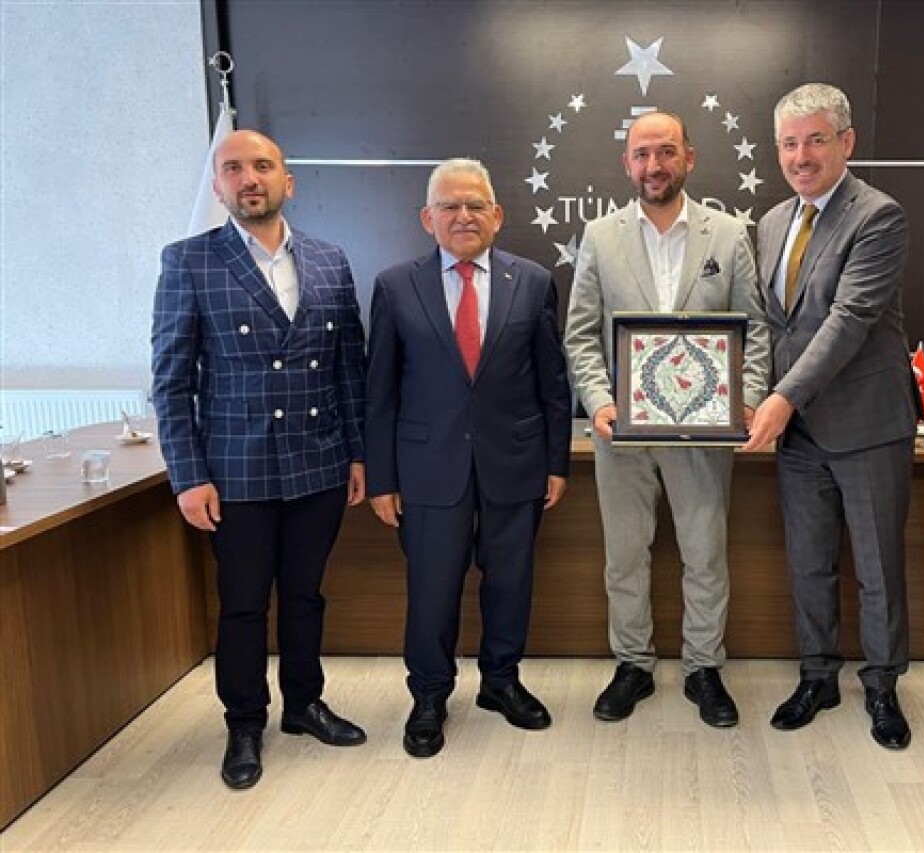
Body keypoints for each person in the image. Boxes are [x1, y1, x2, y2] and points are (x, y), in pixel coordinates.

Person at [151, 129, 369, 790]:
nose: (250, 178)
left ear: (287, 181)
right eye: (234, 168)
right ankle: (245, 722)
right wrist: (188, 475)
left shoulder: (330, 260)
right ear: (220, 186)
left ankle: (304, 704)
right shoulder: (189, 260)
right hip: (235, 469)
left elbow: (349, 368)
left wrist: (359, 454)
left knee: (305, 594)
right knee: (243, 604)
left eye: (263, 166)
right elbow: (171, 381)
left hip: (319, 462)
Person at [564, 111, 770, 727]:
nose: (654, 165)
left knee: (705, 554)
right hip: (621, 433)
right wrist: (599, 401)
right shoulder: (600, 236)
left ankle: (704, 667)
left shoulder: (728, 235)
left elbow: (755, 329)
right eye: (642, 154)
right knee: (625, 556)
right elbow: (580, 335)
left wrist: (747, 400)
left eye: (666, 152)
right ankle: (633, 664)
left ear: (689, 158)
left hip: (704, 431)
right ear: (627, 163)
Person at [364, 158, 572, 759]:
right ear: (427, 218)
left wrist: (556, 462)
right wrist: (381, 478)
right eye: (449, 206)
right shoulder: (395, 286)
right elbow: (380, 393)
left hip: (516, 461)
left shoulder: (532, 281)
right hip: (427, 469)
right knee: (432, 588)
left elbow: (553, 382)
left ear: (497, 215)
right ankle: (430, 695)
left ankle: (501, 683)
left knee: (510, 583)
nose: (463, 216)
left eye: (475, 205)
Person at [743, 83, 917, 750]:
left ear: (846, 141)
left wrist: (781, 398)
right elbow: (770, 323)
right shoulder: (770, 222)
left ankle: (883, 686)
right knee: (809, 563)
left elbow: (849, 319)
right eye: (789, 143)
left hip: (867, 426)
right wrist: (750, 394)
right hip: (799, 432)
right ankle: (817, 676)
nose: (801, 156)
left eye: (816, 139)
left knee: (878, 568)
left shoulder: (878, 215)